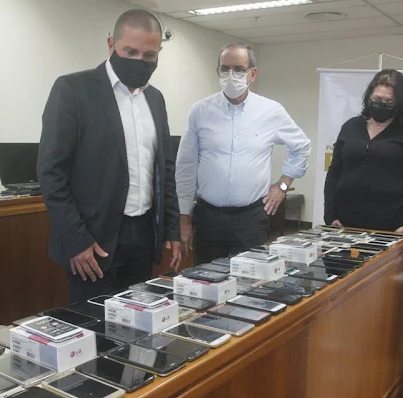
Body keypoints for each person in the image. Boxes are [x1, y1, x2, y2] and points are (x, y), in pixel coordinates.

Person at [37, 9, 181, 303]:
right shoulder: (73, 90)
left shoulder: (155, 99)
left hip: (143, 237)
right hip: (92, 241)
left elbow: (164, 168)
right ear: (111, 44)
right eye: (130, 51)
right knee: (94, 325)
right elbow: (51, 174)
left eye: (149, 55)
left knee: (138, 321)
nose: (139, 61)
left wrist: (172, 227)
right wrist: (76, 240)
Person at [175, 42, 311, 264]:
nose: (231, 75)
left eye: (238, 69)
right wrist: (183, 217)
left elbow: (301, 146)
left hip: (251, 219)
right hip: (208, 219)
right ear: (217, 71)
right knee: (207, 280)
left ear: (252, 74)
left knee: (251, 280)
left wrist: (282, 186)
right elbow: (186, 166)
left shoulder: (271, 111)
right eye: (225, 69)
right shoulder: (200, 111)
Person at [324, 69, 403, 232]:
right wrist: (330, 215)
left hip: (393, 225)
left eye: (389, 101)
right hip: (344, 222)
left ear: (400, 103)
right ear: (369, 97)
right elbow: (334, 173)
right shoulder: (350, 126)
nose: (382, 104)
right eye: (377, 99)